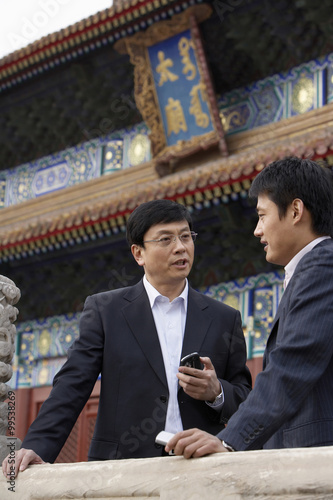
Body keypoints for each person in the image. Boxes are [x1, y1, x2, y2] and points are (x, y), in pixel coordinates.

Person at [3, 199, 251, 477]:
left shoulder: (223, 318)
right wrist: (37, 446)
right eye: (166, 239)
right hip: (121, 469)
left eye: (186, 236)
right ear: (138, 253)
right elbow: (72, 384)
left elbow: (246, 396)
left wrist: (217, 392)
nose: (181, 247)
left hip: (202, 467)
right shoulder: (106, 311)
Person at [165, 156, 333, 457]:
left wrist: (229, 440)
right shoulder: (310, 270)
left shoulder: (323, 267)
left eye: (262, 215)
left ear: (295, 211)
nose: (257, 230)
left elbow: (293, 364)